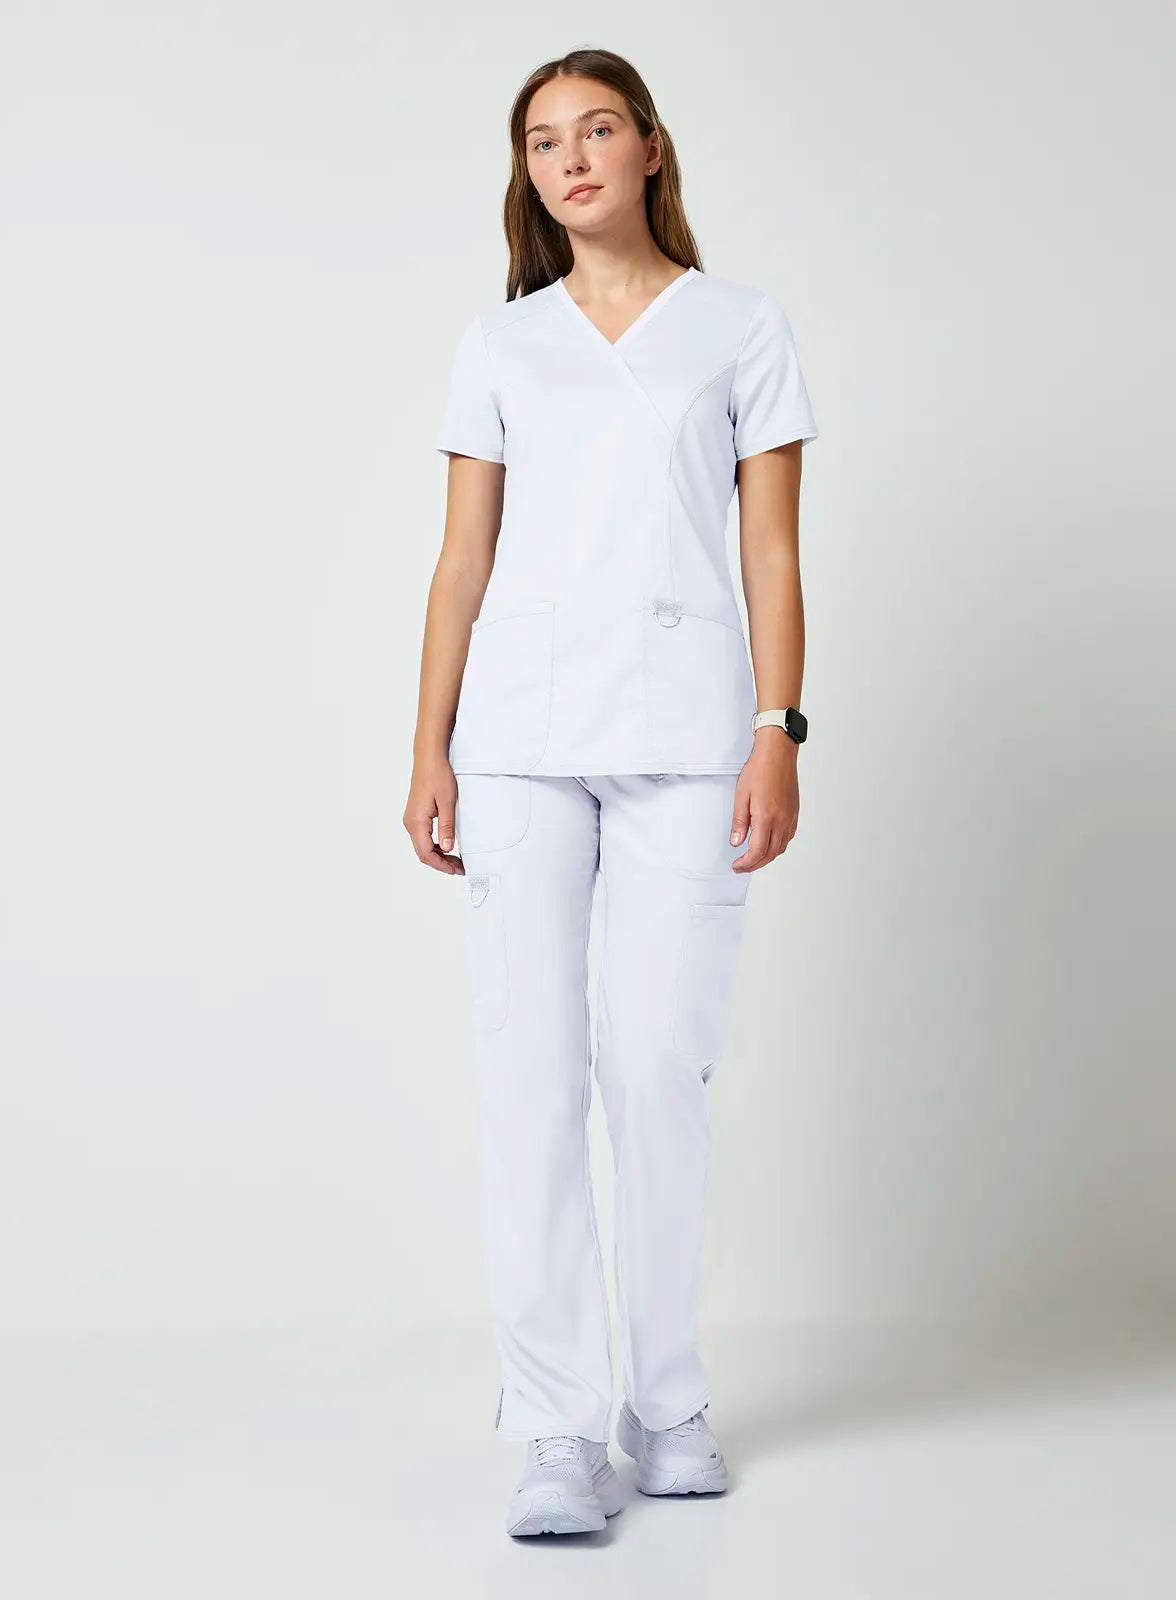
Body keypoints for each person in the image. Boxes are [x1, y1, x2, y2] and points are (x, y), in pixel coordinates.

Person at [404, 47, 819, 1538]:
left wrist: (778, 728)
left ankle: (669, 1399)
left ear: (649, 146)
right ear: (528, 174)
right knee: (532, 1077)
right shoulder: (501, 344)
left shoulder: (740, 329)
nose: (571, 159)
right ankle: (555, 1428)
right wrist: (429, 745)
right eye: (542, 141)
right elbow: (463, 559)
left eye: (595, 130)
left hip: (691, 734)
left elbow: (771, 550)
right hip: (520, 739)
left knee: (656, 1066)